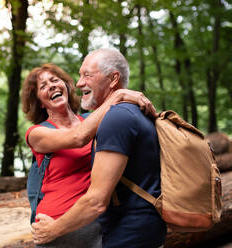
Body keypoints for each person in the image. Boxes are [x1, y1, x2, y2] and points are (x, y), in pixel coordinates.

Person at [31, 49, 167, 248]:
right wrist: (118, 95)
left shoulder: (104, 120)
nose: (52, 87)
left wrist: (117, 97)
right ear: (39, 102)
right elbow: (78, 137)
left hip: (94, 221)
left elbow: (97, 199)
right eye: (43, 86)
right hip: (62, 223)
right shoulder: (37, 133)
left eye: (55, 80)